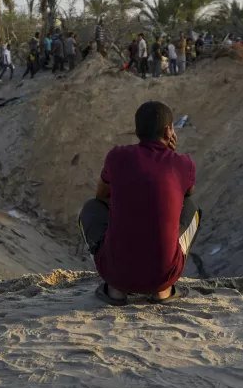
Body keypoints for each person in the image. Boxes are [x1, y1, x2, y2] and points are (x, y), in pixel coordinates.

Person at [78, 101, 202, 305]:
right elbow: (187, 194)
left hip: (115, 274)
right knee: (192, 209)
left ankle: (116, 290)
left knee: (90, 209)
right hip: (163, 276)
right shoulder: (184, 163)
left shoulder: (117, 156)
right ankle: (162, 291)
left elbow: (100, 196)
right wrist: (172, 155)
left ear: (137, 131)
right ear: (168, 130)